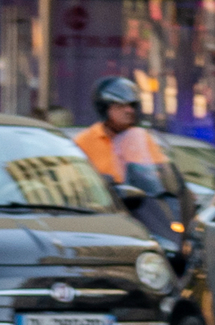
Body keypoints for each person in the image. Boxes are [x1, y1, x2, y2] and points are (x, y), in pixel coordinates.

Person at [75, 76, 191, 241]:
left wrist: (178, 189)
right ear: (104, 109)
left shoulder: (141, 137)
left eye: (131, 105)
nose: (129, 110)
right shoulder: (83, 142)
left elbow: (160, 173)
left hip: (144, 214)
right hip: (105, 219)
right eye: (120, 106)